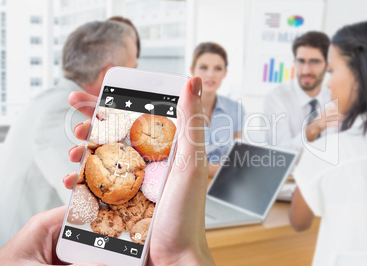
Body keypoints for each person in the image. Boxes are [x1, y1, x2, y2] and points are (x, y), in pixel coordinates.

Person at [0, 77, 216, 266]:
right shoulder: (57, 108)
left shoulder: (43, 98)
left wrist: (179, 256)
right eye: (133, 63)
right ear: (106, 70)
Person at [0, 20, 139, 247]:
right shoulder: (62, 114)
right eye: (132, 70)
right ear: (108, 76)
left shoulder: (48, 100)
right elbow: (90, 210)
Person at [289, 18, 367, 266]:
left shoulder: (328, 152)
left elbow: (299, 222)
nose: (327, 81)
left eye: (331, 70)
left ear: (361, 76)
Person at [263, 31, 339, 151]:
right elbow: (278, 154)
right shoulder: (275, 98)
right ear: (294, 61)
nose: (305, 71)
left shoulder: (336, 97)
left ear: (328, 65)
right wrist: (312, 130)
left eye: (314, 62)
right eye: (301, 61)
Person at [190, 42, 245, 177]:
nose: (210, 74)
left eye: (218, 68)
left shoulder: (235, 109)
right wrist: (224, 168)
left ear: (224, 73)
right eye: (203, 67)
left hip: (223, 185)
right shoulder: (180, 109)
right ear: (193, 70)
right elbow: (180, 165)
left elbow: (238, 158)